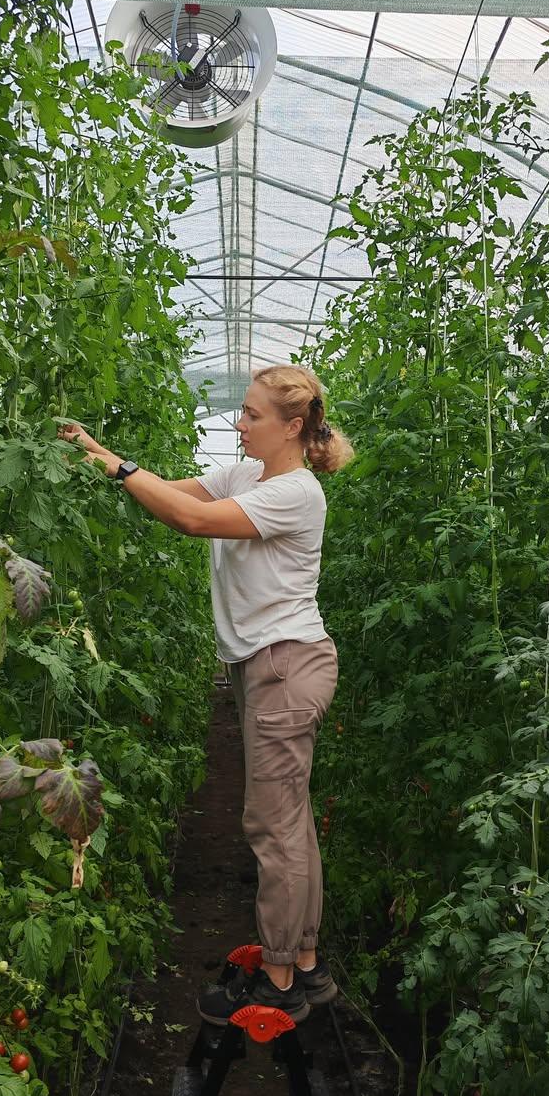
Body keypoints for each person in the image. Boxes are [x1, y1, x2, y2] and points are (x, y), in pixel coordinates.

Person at [58, 366, 354, 1025]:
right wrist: (98, 451)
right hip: (270, 665)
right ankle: (304, 964)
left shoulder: (297, 493)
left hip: (285, 665)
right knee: (291, 823)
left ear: (293, 425)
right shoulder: (247, 476)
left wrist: (112, 469)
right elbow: (169, 491)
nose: (239, 424)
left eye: (251, 415)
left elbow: (191, 520)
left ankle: (277, 980)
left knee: (272, 828)